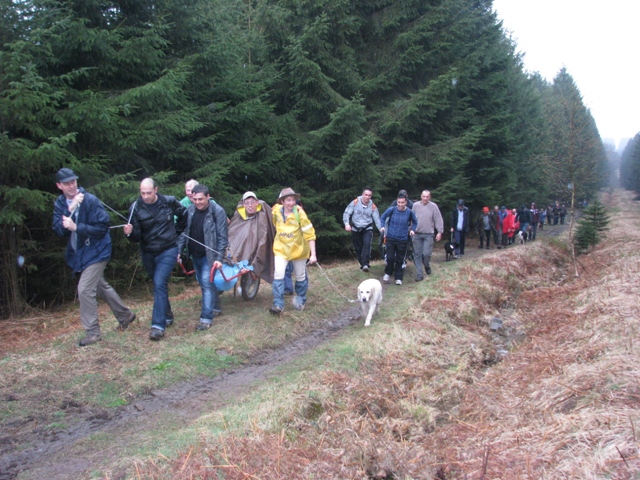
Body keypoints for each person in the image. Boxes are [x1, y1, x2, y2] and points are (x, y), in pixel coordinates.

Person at [53, 168, 136, 346]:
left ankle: (93, 333)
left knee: (84, 289)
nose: (71, 185)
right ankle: (125, 316)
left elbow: (103, 227)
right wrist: (70, 209)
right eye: (66, 183)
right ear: (59, 186)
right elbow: (59, 230)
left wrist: (77, 227)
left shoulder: (89, 200)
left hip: (98, 251)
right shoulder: (60, 204)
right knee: (100, 286)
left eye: (73, 181)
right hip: (80, 254)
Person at [124, 178, 188, 341]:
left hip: (168, 248)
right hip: (148, 251)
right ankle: (167, 315)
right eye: (142, 193)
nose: (145, 196)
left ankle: (158, 326)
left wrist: (176, 233)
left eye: (148, 193)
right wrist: (130, 233)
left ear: (156, 190)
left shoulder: (169, 202)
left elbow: (184, 215)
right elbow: (136, 237)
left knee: (160, 283)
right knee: (157, 283)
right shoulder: (135, 208)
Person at [177, 184, 228, 331]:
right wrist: (180, 250)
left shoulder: (217, 211)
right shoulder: (190, 210)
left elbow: (222, 237)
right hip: (195, 254)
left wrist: (219, 257)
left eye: (200, 199)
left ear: (208, 197)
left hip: (209, 256)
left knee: (206, 282)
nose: (197, 202)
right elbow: (183, 233)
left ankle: (206, 318)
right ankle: (216, 307)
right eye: (195, 199)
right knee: (206, 283)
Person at [270, 188, 317, 314]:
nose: (291, 203)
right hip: (281, 250)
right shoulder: (276, 212)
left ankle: (300, 300)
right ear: (283, 201)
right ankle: (278, 305)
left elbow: (310, 234)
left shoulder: (300, 214)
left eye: (293, 200)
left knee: (300, 276)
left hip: (299, 250)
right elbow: (274, 224)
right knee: (278, 275)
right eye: (288, 200)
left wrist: (313, 254)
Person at [227, 191, 276, 284]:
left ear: (257, 202)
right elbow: (232, 231)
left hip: (255, 249)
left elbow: (264, 236)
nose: (250, 205)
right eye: (247, 203)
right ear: (243, 204)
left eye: (252, 202)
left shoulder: (262, 214)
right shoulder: (239, 215)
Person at [380, 193, 417, 285]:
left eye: (402, 202)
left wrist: (412, 230)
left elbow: (415, 222)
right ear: (397, 202)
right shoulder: (392, 210)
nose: (400, 204)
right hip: (391, 237)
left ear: (406, 202)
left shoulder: (409, 212)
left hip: (402, 239)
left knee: (400, 259)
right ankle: (388, 273)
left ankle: (398, 277)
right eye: (399, 202)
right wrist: (382, 227)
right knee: (390, 257)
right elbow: (383, 217)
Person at [343, 187, 382, 272]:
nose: (367, 197)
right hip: (355, 228)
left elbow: (377, 220)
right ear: (362, 194)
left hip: (367, 228)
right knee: (358, 248)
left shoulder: (373, 206)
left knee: (367, 245)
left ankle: (365, 264)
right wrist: (346, 224)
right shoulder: (355, 202)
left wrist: (381, 230)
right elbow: (347, 213)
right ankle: (362, 264)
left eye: (369, 195)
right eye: (366, 195)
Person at [411, 190, 443, 281]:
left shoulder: (433, 206)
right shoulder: (415, 205)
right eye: (423, 196)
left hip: (428, 234)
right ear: (421, 196)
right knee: (417, 254)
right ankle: (419, 274)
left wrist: (439, 232)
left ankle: (427, 265)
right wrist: (411, 229)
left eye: (427, 197)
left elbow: (438, 219)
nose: (425, 198)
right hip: (417, 234)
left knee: (426, 254)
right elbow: (411, 218)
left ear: (430, 197)